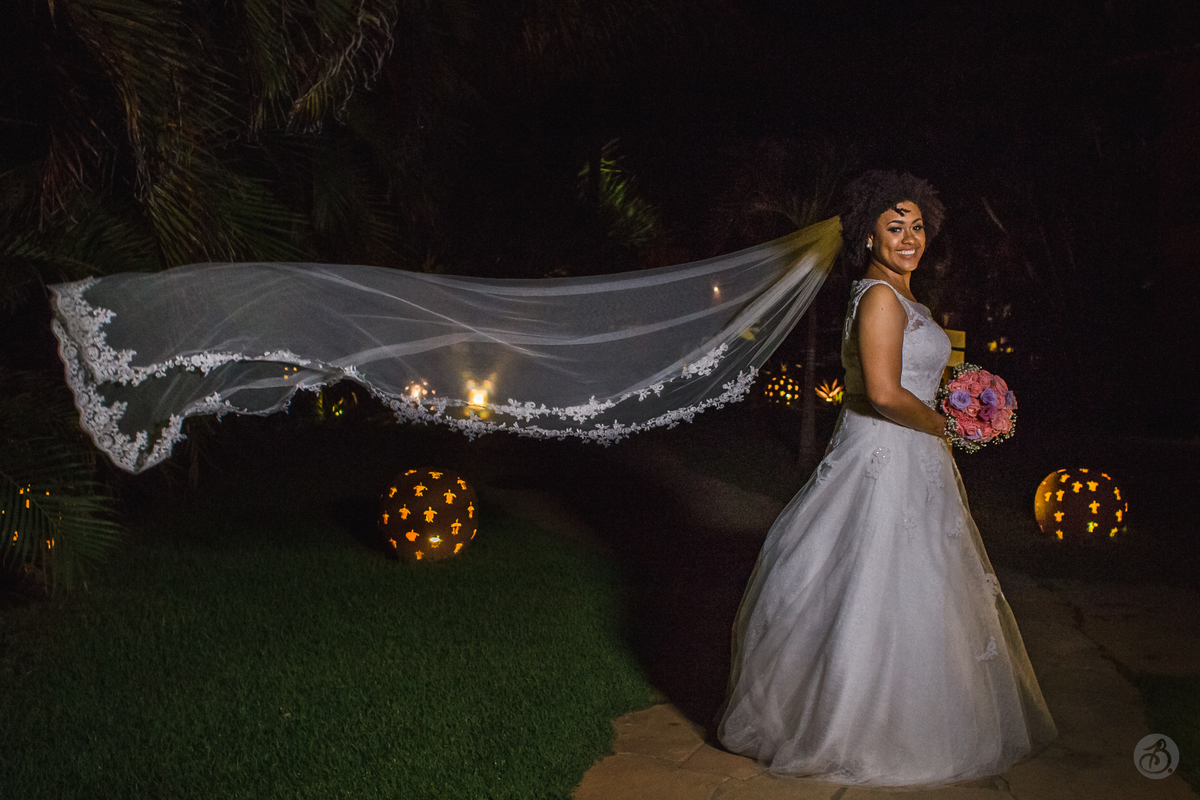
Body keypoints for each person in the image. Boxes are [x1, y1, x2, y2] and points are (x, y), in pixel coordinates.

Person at [717, 171, 1057, 786]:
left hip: (916, 456)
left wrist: (964, 403)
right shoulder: (877, 297)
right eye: (894, 227)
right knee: (872, 581)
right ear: (869, 237)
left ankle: (914, 718)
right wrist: (948, 425)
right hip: (884, 456)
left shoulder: (907, 300)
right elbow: (880, 392)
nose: (908, 238)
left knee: (921, 585)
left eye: (917, 226)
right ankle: (856, 727)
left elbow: (913, 379)